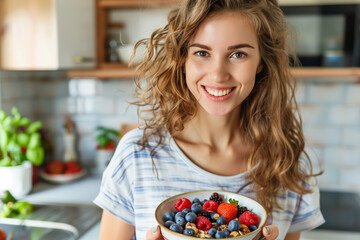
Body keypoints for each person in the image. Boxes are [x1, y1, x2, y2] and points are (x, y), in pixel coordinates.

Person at [93, 0, 325, 239]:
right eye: (202, 53)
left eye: (238, 54)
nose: (217, 74)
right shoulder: (136, 155)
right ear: (182, 59)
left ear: (261, 63)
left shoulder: (289, 164)